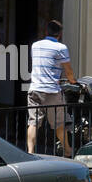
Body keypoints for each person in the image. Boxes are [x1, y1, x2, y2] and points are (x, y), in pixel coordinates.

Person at [27, 20, 75, 156]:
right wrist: (73, 81)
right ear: (60, 34)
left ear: (46, 32)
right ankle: (67, 150)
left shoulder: (35, 46)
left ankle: (30, 152)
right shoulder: (61, 48)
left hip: (35, 88)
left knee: (33, 122)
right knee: (59, 124)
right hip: (52, 91)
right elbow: (68, 70)